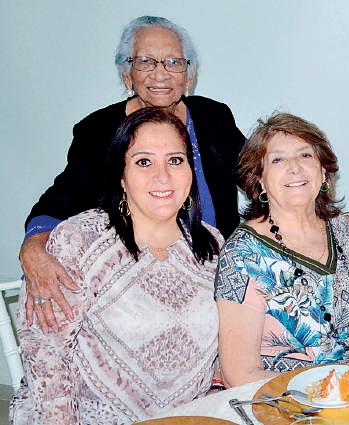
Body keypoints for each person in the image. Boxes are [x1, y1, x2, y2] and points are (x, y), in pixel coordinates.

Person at [19, 16, 245, 335]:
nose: (160, 73)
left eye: (173, 61)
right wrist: (33, 247)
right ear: (127, 74)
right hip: (141, 297)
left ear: (189, 74)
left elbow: (257, 174)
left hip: (217, 279)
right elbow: (62, 198)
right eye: (145, 61)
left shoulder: (213, 117)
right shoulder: (99, 131)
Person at [11, 107, 223, 424]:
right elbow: (46, 355)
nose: (163, 176)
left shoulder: (211, 244)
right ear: (121, 176)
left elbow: (220, 350)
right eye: (144, 162)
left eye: (175, 160)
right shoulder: (79, 241)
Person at [215, 112, 349, 386]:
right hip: (287, 402)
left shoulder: (342, 229)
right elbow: (240, 374)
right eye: (277, 160)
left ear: (323, 172)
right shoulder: (241, 254)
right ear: (259, 179)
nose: (295, 168)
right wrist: (325, 393)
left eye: (305, 155)